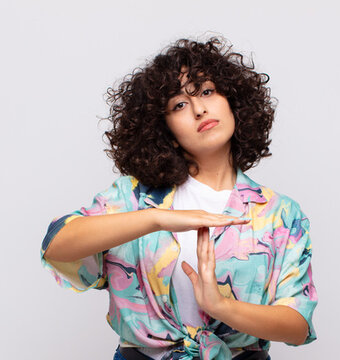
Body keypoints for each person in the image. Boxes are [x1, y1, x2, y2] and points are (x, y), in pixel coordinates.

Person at [40, 36, 318, 360]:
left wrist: (222, 307)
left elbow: (297, 325)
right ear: (164, 129)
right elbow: (56, 246)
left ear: (233, 101)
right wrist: (155, 219)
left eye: (207, 91)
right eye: (179, 105)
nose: (200, 109)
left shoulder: (280, 214)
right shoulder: (134, 198)